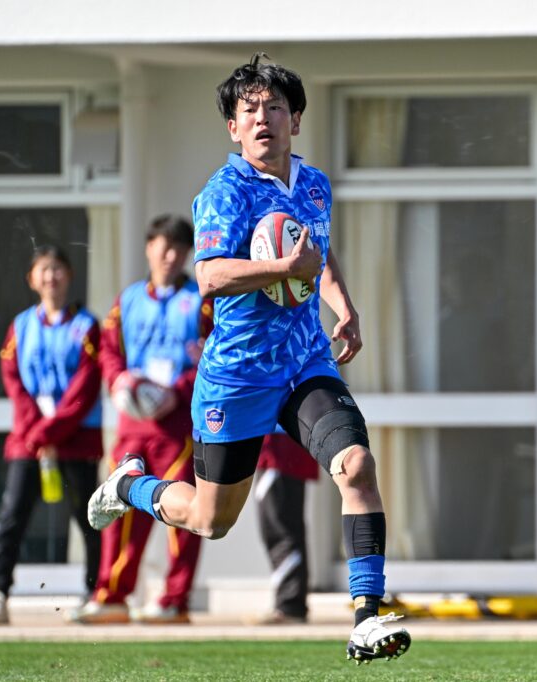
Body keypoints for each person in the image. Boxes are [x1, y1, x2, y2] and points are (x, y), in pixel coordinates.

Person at [88, 54, 411, 663]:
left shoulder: (314, 184)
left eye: (275, 107)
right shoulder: (223, 192)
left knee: (356, 465)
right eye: (249, 110)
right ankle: (131, 485)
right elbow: (209, 277)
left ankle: (367, 618)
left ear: (296, 120)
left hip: (305, 364)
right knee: (210, 520)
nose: (263, 118)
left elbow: (318, 254)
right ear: (233, 128)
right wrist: (284, 268)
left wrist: (344, 307)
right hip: (236, 375)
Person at [67, 215, 212, 625]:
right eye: (163, 246)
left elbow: (213, 357)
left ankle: (174, 601)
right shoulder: (127, 300)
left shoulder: (202, 300)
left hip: (179, 424)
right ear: (149, 248)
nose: (170, 256)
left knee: (181, 509)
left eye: (179, 249)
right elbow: (109, 350)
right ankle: (112, 595)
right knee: (122, 505)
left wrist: (177, 391)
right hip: (133, 424)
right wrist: (118, 381)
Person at [0, 245, 103, 625]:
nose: (51, 277)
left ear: (70, 275)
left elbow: (85, 387)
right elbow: (12, 378)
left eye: (58, 269)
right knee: (12, 515)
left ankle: (95, 593)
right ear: (31, 279)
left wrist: (50, 430)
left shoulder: (87, 326)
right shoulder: (19, 327)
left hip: (75, 438)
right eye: (43, 270)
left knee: (90, 517)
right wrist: (36, 430)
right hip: (28, 440)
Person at [248, 432, 319, 625]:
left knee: (280, 528)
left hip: (279, 449)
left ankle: (290, 605)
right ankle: (290, 603)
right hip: (280, 447)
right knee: (282, 526)